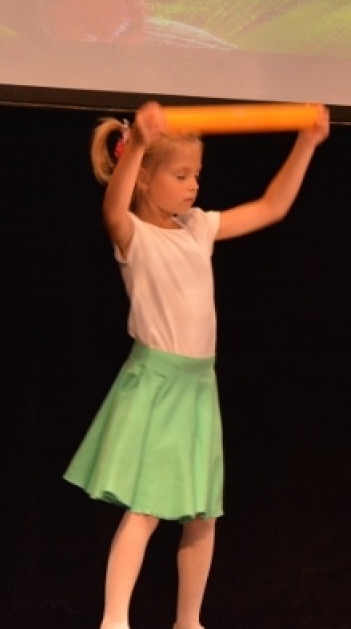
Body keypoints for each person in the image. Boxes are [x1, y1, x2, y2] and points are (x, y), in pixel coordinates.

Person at [63, 101, 330, 629]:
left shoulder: (197, 228)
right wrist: (139, 144)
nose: (193, 186)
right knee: (144, 508)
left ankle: (189, 621)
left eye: (196, 175)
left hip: (198, 385)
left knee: (202, 513)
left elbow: (272, 206)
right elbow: (113, 207)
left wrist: (306, 143)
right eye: (181, 175)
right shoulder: (134, 235)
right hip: (156, 384)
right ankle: (114, 619)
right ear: (144, 178)